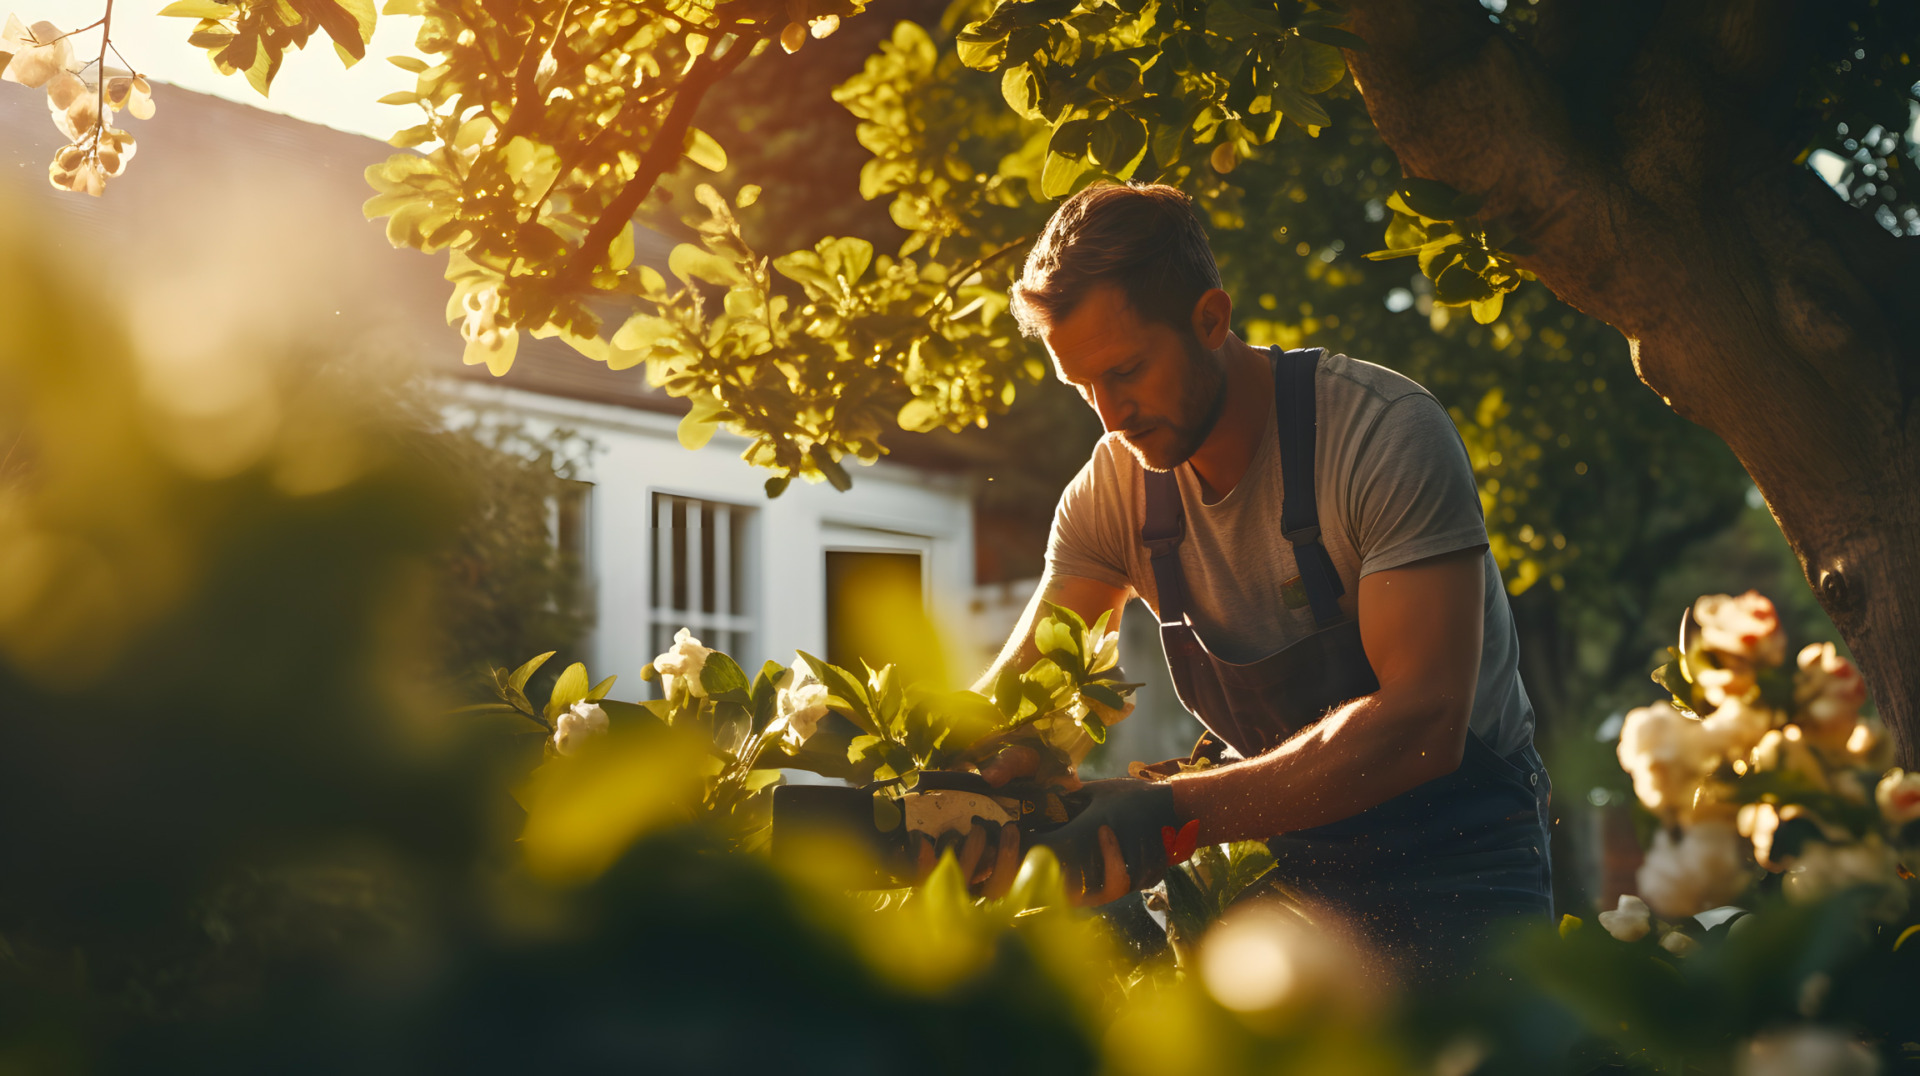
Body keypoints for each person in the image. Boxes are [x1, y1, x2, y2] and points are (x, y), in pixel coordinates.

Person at [951, 181, 1552, 985]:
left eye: (1127, 370)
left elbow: (1425, 722)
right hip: (1276, 862)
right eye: (1082, 386)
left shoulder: (1381, 433)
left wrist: (1176, 810)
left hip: (1464, 857)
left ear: (1211, 318)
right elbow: (1023, 700)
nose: (1110, 415)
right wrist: (943, 773)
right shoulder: (1113, 494)